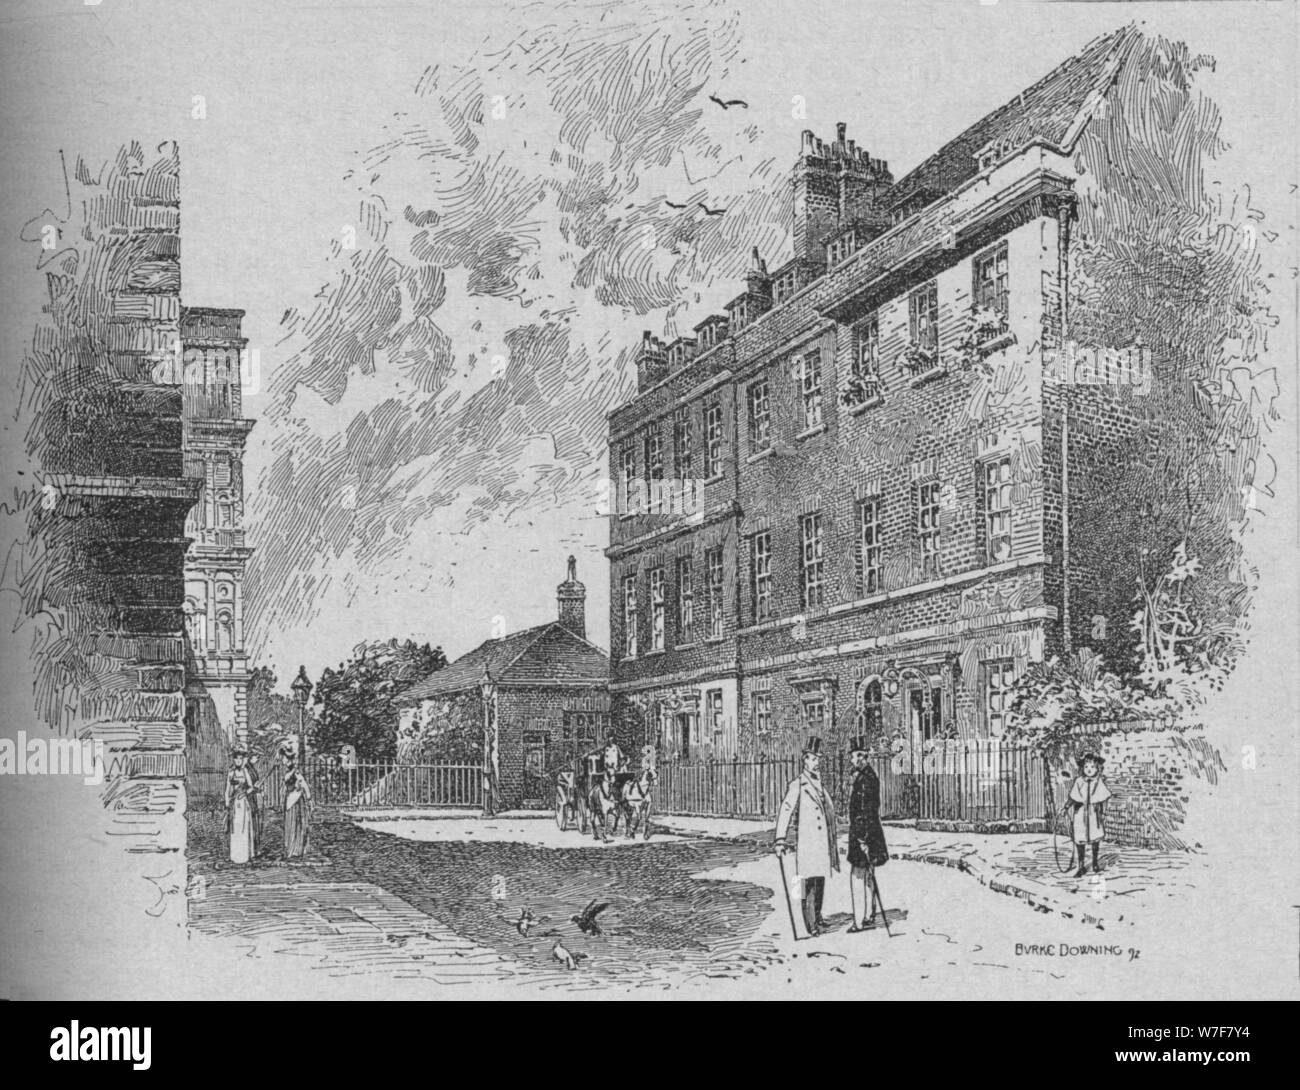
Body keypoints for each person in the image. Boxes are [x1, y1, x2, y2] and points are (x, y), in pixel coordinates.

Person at [774, 737, 840, 936]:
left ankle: (817, 917)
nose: (816, 762)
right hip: (808, 842)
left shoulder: (819, 783)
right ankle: (809, 924)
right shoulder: (798, 784)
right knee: (806, 884)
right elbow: (786, 809)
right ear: (805, 760)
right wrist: (779, 839)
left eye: (818, 758)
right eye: (812, 758)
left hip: (820, 843)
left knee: (819, 880)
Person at [846, 737, 889, 932]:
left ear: (862, 757)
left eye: (855, 757)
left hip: (863, 833)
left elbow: (864, 811)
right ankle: (870, 915)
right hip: (873, 832)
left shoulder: (864, 780)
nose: (853, 761)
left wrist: (862, 839)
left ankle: (858, 920)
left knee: (858, 875)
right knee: (870, 875)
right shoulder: (869, 776)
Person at [1068, 753, 1112, 877]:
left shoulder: (1098, 782)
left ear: (1097, 768)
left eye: (1092, 766)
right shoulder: (1079, 781)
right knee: (1080, 840)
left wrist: (1103, 813)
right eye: (1086, 766)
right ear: (1083, 768)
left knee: (1095, 840)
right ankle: (1081, 866)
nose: (1089, 769)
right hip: (1080, 814)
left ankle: (1095, 863)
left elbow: (1103, 798)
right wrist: (1066, 807)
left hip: (1094, 814)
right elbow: (1073, 797)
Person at [224, 745, 258, 865]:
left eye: (240, 758)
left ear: (242, 759)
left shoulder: (245, 771)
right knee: (235, 828)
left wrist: (244, 794)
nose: (238, 761)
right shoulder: (231, 772)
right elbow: (227, 788)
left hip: (243, 803)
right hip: (234, 803)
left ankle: (244, 855)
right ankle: (235, 855)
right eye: (236, 758)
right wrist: (227, 802)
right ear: (233, 759)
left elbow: (251, 787)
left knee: (243, 827)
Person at [281, 745, 313, 860]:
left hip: (295, 799)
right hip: (290, 799)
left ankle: (295, 849)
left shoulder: (294, 771)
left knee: (296, 824)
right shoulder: (289, 770)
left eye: (284, 758)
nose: (282, 760)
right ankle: (291, 848)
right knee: (291, 824)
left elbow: (303, 783)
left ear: (288, 759)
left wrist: (308, 798)